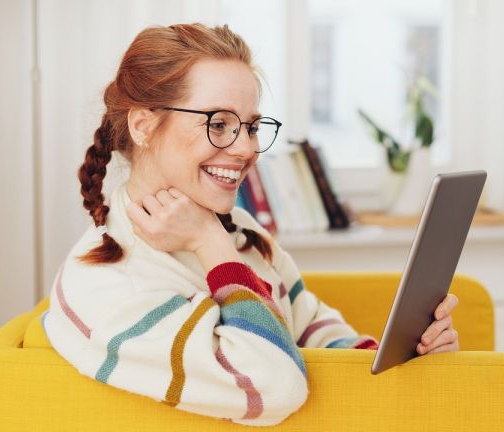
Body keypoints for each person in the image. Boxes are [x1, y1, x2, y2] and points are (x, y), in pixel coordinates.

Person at [42, 23, 460, 426]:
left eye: (252, 127)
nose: (246, 149)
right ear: (143, 125)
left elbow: (308, 323)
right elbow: (273, 388)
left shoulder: (240, 230)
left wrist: (405, 360)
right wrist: (210, 243)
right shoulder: (106, 285)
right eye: (219, 124)